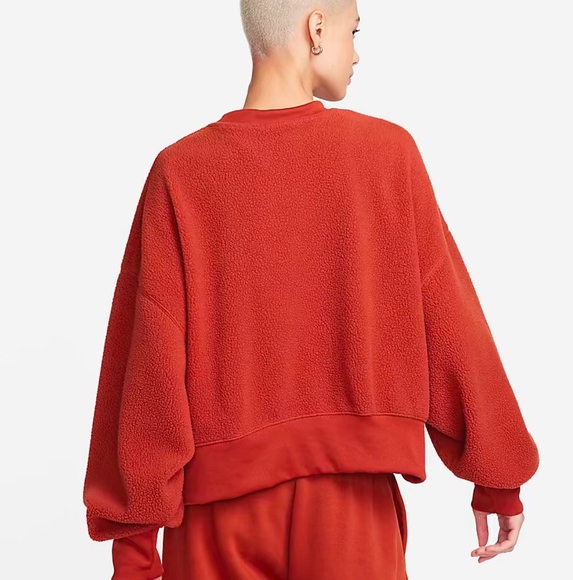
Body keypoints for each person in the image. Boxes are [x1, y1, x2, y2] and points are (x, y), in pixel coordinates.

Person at [82, 1, 540, 578]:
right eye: (354, 31)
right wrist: (498, 478)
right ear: (316, 27)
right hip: (350, 509)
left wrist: (134, 544)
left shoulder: (181, 171)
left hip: (216, 513)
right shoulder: (386, 154)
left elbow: (147, 361)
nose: (358, 54)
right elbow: (448, 319)